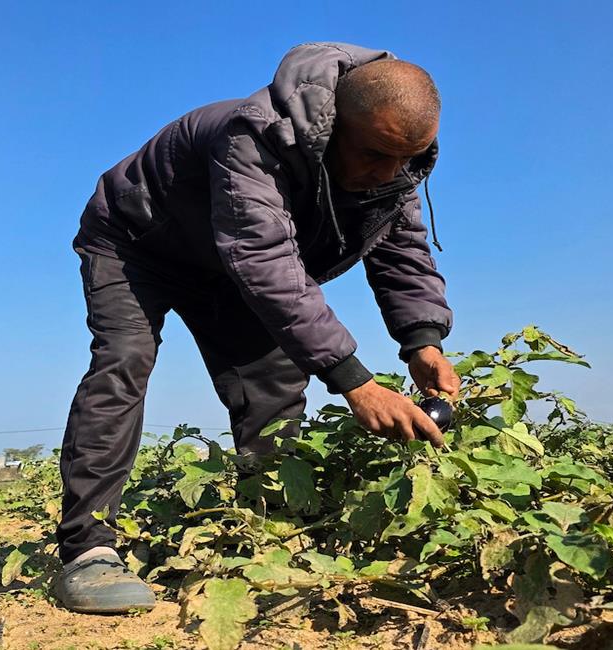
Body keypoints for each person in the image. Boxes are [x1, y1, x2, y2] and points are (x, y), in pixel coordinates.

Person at [50, 42, 460, 614]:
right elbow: (264, 261)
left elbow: (401, 252)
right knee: (124, 364)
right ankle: (86, 553)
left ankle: (264, 526)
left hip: (227, 262)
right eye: (374, 155)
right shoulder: (253, 136)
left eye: (406, 160)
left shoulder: (393, 164)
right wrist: (356, 382)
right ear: (334, 124)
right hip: (138, 242)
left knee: (274, 384)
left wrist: (423, 340)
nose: (387, 174)